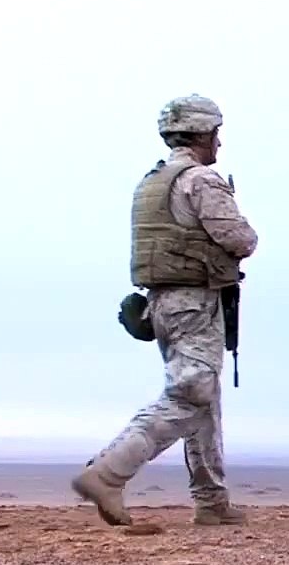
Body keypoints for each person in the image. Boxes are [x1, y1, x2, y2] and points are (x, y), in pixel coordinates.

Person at [72, 94, 258, 527]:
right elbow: (240, 239)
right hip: (194, 302)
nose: (219, 143)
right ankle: (108, 472)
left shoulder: (152, 182)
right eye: (215, 134)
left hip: (162, 303)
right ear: (201, 134)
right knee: (191, 392)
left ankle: (212, 501)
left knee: (203, 397)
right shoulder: (201, 181)